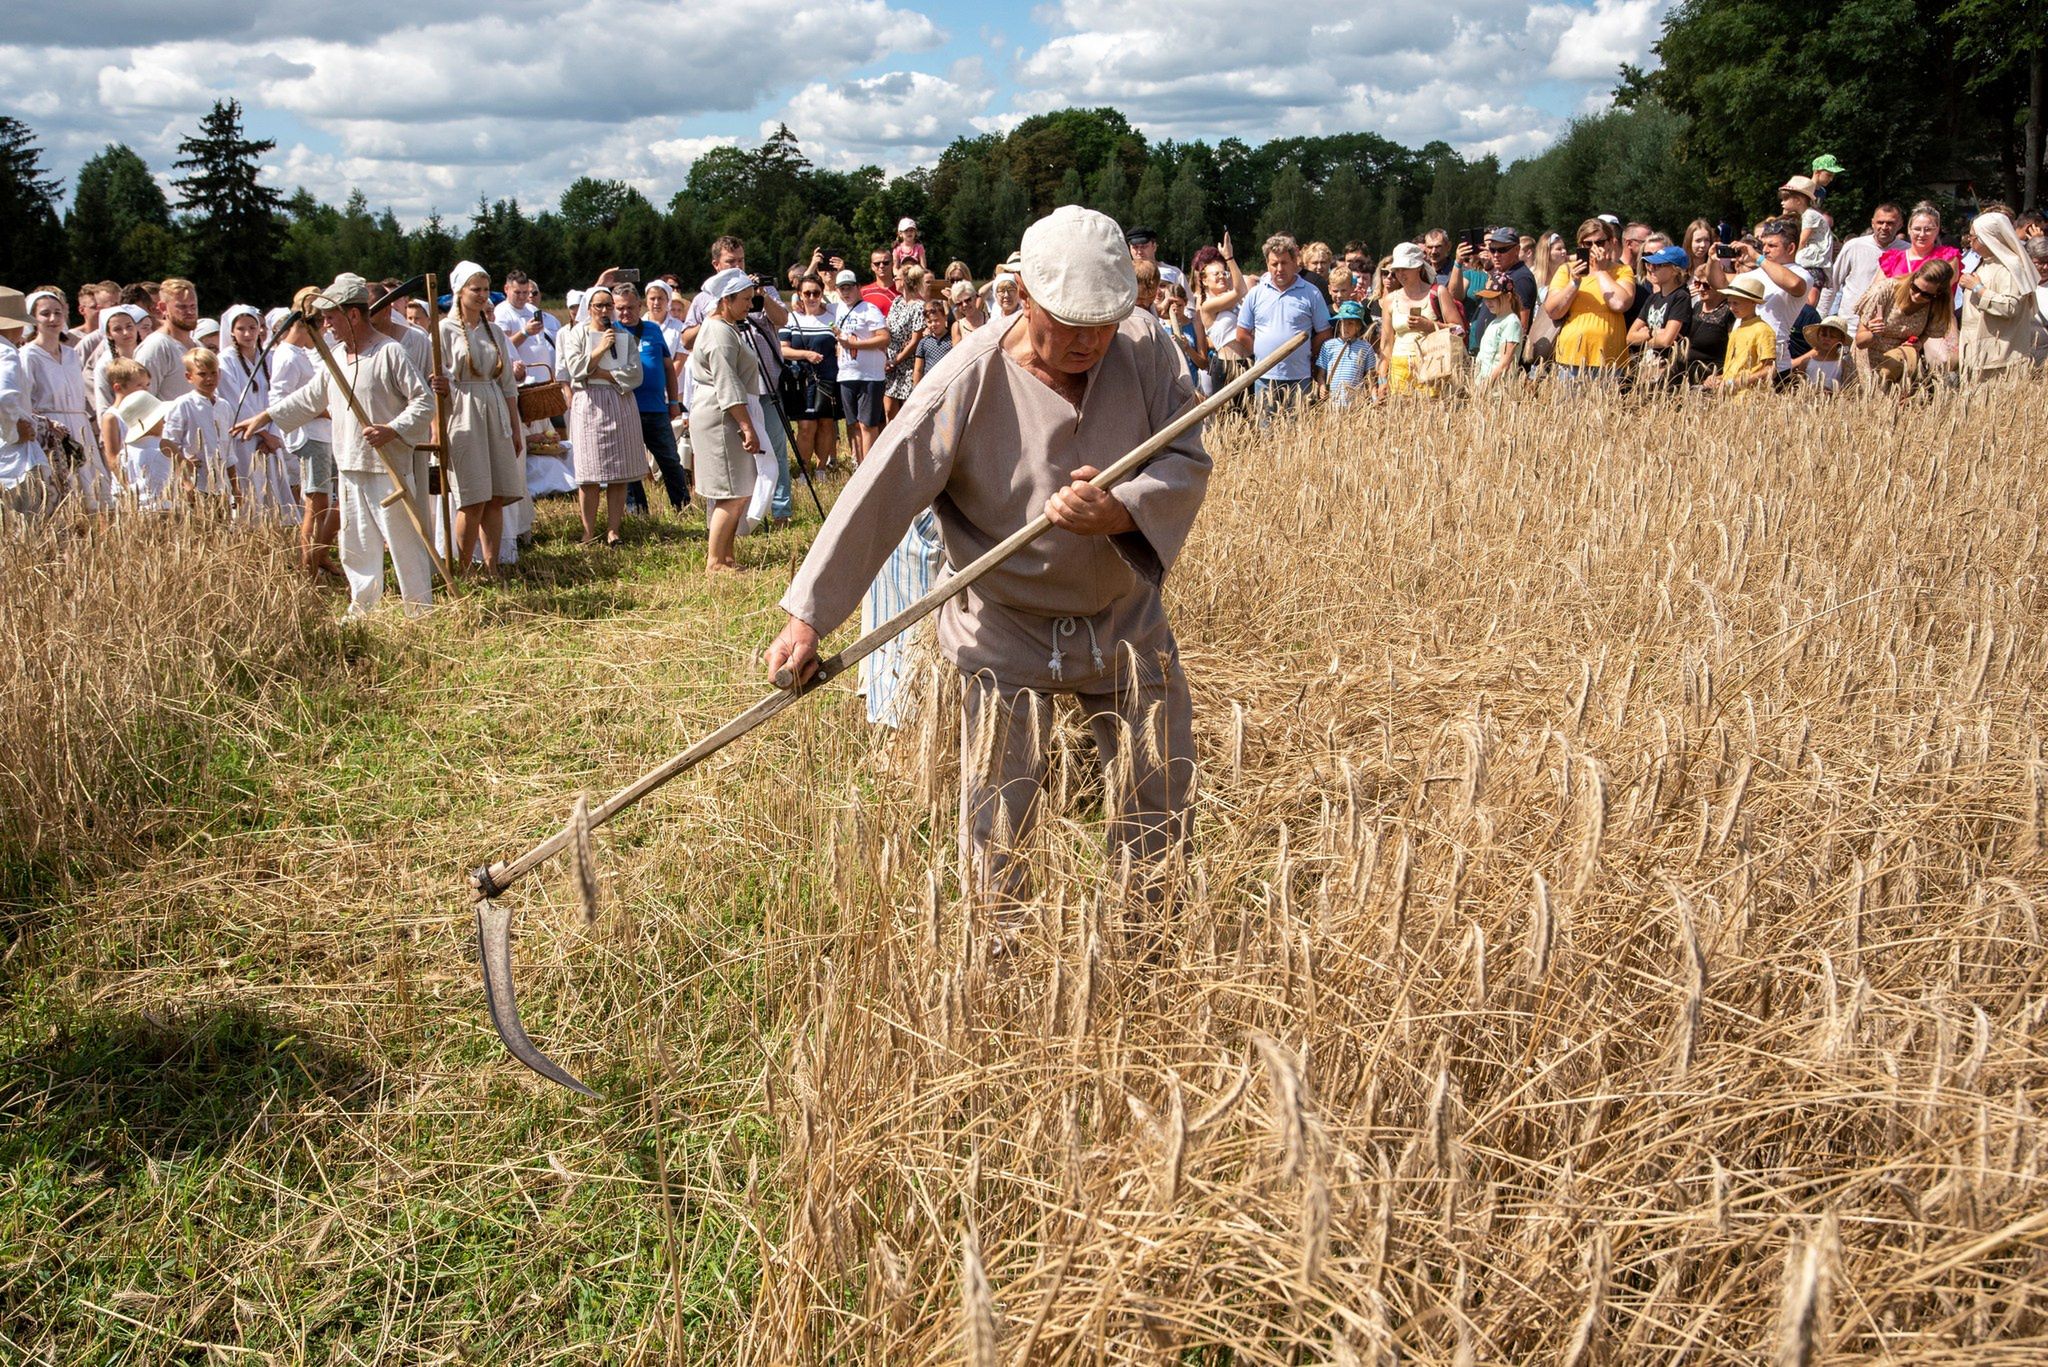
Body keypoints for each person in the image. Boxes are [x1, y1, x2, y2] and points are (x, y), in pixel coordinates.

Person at [768, 205, 1211, 912]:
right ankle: (999, 966)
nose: (1091, 340)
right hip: (1004, 628)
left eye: (1105, 320)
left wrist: (1123, 509)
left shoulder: (1147, 346)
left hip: (1124, 619)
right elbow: (881, 488)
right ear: (1026, 296)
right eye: (1070, 320)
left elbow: (1188, 454)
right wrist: (809, 617)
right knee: (999, 823)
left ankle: (1147, 941)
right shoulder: (966, 380)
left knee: (1157, 791)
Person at [237, 274, 435, 614]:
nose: (325, 324)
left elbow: (423, 402)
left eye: (330, 316)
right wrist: (266, 415)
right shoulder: (337, 358)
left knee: (402, 542)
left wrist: (392, 428)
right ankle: (363, 606)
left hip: (387, 465)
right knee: (355, 544)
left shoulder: (390, 352)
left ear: (353, 315)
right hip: (349, 462)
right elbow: (309, 398)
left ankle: (418, 610)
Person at [436, 262, 525, 575]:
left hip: (495, 408)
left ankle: (491, 566)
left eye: (486, 290)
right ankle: (462, 568)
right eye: (476, 289)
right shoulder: (443, 331)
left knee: (496, 496)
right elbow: (435, 381)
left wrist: (515, 428)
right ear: (459, 291)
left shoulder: (495, 331)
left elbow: (508, 385)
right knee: (473, 497)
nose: (482, 296)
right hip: (463, 413)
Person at [686, 269, 768, 574]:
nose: (750, 304)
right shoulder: (720, 333)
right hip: (721, 417)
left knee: (739, 489)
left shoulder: (726, 328)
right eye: (745, 299)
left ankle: (727, 555)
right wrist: (747, 426)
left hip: (724, 413)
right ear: (726, 300)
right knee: (730, 492)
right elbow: (727, 384)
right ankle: (715, 561)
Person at [557, 286, 641, 548]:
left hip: (618, 400)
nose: (604, 311)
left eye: (608, 306)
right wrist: (600, 349)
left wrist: (603, 374)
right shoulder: (576, 334)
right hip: (589, 403)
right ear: (589, 308)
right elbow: (576, 369)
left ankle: (614, 529)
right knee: (589, 473)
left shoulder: (623, 335)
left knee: (619, 472)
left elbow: (635, 374)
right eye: (599, 306)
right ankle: (588, 530)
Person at [270, 291, 341, 579]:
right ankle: (308, 568)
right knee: (316, 502)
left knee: (331, 500)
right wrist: (323, 412)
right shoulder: (287, 355)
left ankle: (320, 553)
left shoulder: (305, 352)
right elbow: (280, 400)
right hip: (309, 434)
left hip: (324, 433)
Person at [22, 289, 110, 512]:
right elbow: (25, 400)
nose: (53, 319)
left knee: (92, 494)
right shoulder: (28, 355)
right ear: (33, 318)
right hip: (50, 430)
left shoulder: (71, 354)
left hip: (78, 427)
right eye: (45, 313)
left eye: (57, 313)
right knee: (59, 496)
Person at [609, 280, 689, 517]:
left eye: (630, 307)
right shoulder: (610, 332)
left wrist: (673, 402)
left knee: (670, 460)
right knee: (631, 464)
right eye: (620, 308)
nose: (625, 312)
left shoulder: (653, 330)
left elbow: (667, 369)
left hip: (655, 408)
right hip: (625, 408)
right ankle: (638, 512)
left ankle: (683, 506)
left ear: (639, 305)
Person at [1233, 233, 1332, 411]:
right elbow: (1242, 333)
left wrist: (1306, 350)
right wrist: (1264, 356)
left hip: (1299, 377)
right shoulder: (1256, 293)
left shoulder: (1311, 293)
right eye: (1274, 264)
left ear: (1295, 262)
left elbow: (1324, 332)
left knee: (1297, 433)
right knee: (1266, 433)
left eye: (1284, 263)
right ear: (1267, 265)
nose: (1279, 268)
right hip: (1264, 378)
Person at [217, 304, 293, 519]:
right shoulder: (226, 361)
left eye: (253, 327)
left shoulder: (268, 357)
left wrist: (274, 432)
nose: (248, 334)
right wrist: (263, 433)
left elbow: (279, 396)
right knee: (250, 488)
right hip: (246, 437)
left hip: (271, 438)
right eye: (241, 329)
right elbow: (235, 402)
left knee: (275, 492)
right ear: (232, 331)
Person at [1710, 219, 1809, 381]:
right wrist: (1713, 260)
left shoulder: (1801, 274)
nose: (1765, 250)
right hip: (1741, 360)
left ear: (1791, 248)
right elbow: (1719, 284)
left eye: (1772, 245)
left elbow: (1795, 284)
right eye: (1764, 245)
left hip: (1770, 363)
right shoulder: (1758, 271)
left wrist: (1756, 257)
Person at [1955, 211, 2045, 376]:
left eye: (1973, 237)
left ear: (1988, 239)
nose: (1970, 240)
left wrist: (1978, 288)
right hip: (1978, 353)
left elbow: (2010, 307)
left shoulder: (2010, 267)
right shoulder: (1986, 263)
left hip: (2000, 359)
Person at [1545, 218, 1636, 378]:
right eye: (1588, 244)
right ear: (1580, 245)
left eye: (1599, 242)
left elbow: (1620, 303)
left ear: (1610, 243)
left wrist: (1600, 271)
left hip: (1609, 358)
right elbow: (1553, 311)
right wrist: (1574, 282)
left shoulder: (1623, 270)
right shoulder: (1566, 270)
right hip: (1571, 356)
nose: (1594, 248)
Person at [1855, 259, 1959, 389]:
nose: (1917, 296)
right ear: (1914, 277)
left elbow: (1929, 333)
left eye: (1926, 295)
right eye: (1915, 288)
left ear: (1937, 295)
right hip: (1867, 361)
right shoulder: (1884, 291)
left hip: (1901, 366)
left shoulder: (1937, 305)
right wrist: (1872, 333)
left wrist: (1918, 342)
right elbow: (1860, 342)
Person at [0, 290, 56, 518]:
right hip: (13, 459)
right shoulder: (6, 354)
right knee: (24, 528)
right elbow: (3, 396)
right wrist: (13, 431)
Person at [159, 348, 238, 507]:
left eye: (213, 373)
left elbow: (228, 450)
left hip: (221, 486)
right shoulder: (183, 405)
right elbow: (168, 443)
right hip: (196, 483)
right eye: (202, 374)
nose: (209, 379)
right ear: (189, 377)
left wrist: (235, 486)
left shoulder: (224, 406)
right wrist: (184, 466)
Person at [779, 274, 841, 474]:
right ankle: (804, 469)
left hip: (828, 378)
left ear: (822, 293)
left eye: (816, 292)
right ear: (799, 295)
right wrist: (805, 354)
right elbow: (782, 349)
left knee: (826, 424)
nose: (812, 297)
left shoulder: (833, 315)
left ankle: (821, 469)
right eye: (807, 293)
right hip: (802, 382)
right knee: (805, 426)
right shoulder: (792, 318)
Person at [1378, 241, 1455, 395]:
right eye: (1397, 270)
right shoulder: (1390, 300)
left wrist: (1429, 326)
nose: (1400, 274)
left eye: (1405, 269)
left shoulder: (1438, 293)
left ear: (1419, 267)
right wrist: (1382, 380)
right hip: (1399, 368)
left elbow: (1459, 330)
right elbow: (1386, 344)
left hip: (1432, 364)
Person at [831, 269, 889, 464]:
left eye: (849, 288)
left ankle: (869, 468)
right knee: (853, 424)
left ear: (857, 288)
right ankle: (859, 463)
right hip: (846, 374)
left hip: (869, 376)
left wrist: (854, 345)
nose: (845, 292)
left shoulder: (869, 309)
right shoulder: (838, 308)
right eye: (841, 289)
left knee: (867, 425)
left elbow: (884, 338)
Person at [101, 364, 173, 510]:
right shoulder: (111, 417)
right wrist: (128, 486)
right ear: (118, 388)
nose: (145, 390)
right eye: (139, 386)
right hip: (128, 483)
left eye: (147, 385)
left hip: (148, 478)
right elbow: (112, 456)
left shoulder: (146, 411)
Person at [1821, 203, 1905, 319]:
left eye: (1890, 223)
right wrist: (1820, 316)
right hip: (1851, 324)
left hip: (1887, 325)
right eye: (1880, 222)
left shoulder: (1907, 251)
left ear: (1900, 224)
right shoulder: (1854, 246)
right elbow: (1832, 283)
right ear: (1872, 223)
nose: (1884, 227)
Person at [1626, 246, 1695, 386]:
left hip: (1669, 373)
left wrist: (1645, 335)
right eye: (1650, 264)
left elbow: (1666, 341)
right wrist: (1653, 333)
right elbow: (1629, 338)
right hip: (1648, 370)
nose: (1651, 268)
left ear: (1675, 270)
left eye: (1658, 265)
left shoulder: (1681, 297)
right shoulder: (1652, 298)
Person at [1703, 274, 1774, 396]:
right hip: (1731, 398)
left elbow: (1769, 370)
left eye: (1736, 303)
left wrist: (1735, 383)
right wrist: (1718, 379)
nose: (1731, 308)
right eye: (1729, 303)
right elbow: (1734, 369)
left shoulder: (1763, 330)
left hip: (1750, 397)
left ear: (1753, 302)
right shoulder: (1736, 330)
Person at [1194, 235, 1249, 392]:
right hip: (1227, 367)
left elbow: (1241, 288)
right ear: (1204, 280)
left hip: (1248, 363)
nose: (1221, 276)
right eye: (1216, 274)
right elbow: (1241, 290)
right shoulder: (1207, 306)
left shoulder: (1237, 299)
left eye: (1224, 273)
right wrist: (1229, 258)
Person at [1472, 227, 1536, 356]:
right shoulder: (1504, 274)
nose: (1496, 255)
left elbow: (1521, 328)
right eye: (1492, 249)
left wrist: (1503, 363)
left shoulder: (1520, 278)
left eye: (1502, 250)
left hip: (1500, 361)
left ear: (1517, 250)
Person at [135, 277, 200, 400]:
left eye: (193, 306)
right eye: (182, 307)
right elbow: (142, 401)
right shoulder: (156, 347)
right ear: (163, 307)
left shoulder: (199, 346)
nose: (190, 312)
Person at [1315, 300, 1377, 406]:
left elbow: (1370, 377)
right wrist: (1322, 386)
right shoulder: (1328, 345)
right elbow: (1321, 374)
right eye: (1342, 322)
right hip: (1333, 402)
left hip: (1356, 403)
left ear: (1358, 327)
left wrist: (1374, 398)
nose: (1345, 327)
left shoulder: (1365, 347)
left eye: (1350, 323)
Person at [1780, 175, 1834, 294]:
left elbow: (1803, 241)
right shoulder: (1807, 214)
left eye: (1785, 198)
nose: (1782, 202)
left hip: (1812, 261)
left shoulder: (1810, 215)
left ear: (1798, 201)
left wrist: (1792, 260)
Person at [1880, 204, 1961, 280]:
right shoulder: (1893, 259)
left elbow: (1943, 289)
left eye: (1928, 229)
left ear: (1937, 230)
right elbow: (1876, 291)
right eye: (1917, 229)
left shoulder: (1947, 258)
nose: (1922, 234)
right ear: (1909, 229)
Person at [1470, 277, 1524, 389]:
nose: (1487, 302)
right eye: (1485, 298)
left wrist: (1486, 388)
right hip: (1484, 388)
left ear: (1508, 296)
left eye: (1493, 298)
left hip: (1496, 392)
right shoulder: (1496, 321)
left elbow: (1504, 364)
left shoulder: (1511, 322)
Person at [1793, 315, 1856, 390]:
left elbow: (1847, 388)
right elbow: (1799, 386)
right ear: (1818, 336)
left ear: (1841, 340)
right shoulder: (1806, 362)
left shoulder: (1842, 365)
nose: (1827, 339)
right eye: (1824, 335)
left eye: (1832, 336)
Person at [1127, 226, 1186, 291]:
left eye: (1143, 247)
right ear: (1129, 248)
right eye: (1135, 247)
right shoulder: (1123, 273)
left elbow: (1186, 300)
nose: (1139, 252)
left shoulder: (1174, 273)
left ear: (1154, 247)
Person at [912, 300, 953, 385]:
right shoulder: (924, 342)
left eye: (936, 320)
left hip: (948, 383)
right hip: (929, 384)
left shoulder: (952, 339)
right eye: (929, 322)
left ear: (945, 318)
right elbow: (918, 369)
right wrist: (916, 389)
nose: (933, 324)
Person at [949, 279, 988, 344]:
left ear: (975, 297)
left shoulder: (990, 319)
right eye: (959, 303)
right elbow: (956, 352)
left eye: (968, 300)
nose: (964, 305)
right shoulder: (957, 327)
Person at [863, 246, 899, 314]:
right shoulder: (863, 293)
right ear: (872, 267)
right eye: (877, 264)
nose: (881, 266)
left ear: (892, 264)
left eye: (886, 263)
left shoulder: (903, 291)